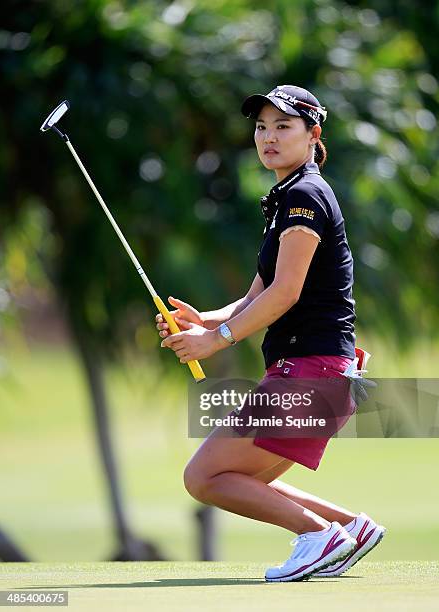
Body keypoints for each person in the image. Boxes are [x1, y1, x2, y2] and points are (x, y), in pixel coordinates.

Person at [156, 85, 385, 582]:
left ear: (313, 134)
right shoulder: (288, 197)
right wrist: (207, 321)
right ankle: (349, 527)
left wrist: (217, 342)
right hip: (319, 374)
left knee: (205, 476)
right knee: (234, 476)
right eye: (262, 127)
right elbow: (257, 295)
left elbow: (285, 293)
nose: (269, 137)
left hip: (311, 374)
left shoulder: (304, 197)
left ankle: (320, 536)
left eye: (284, 127)